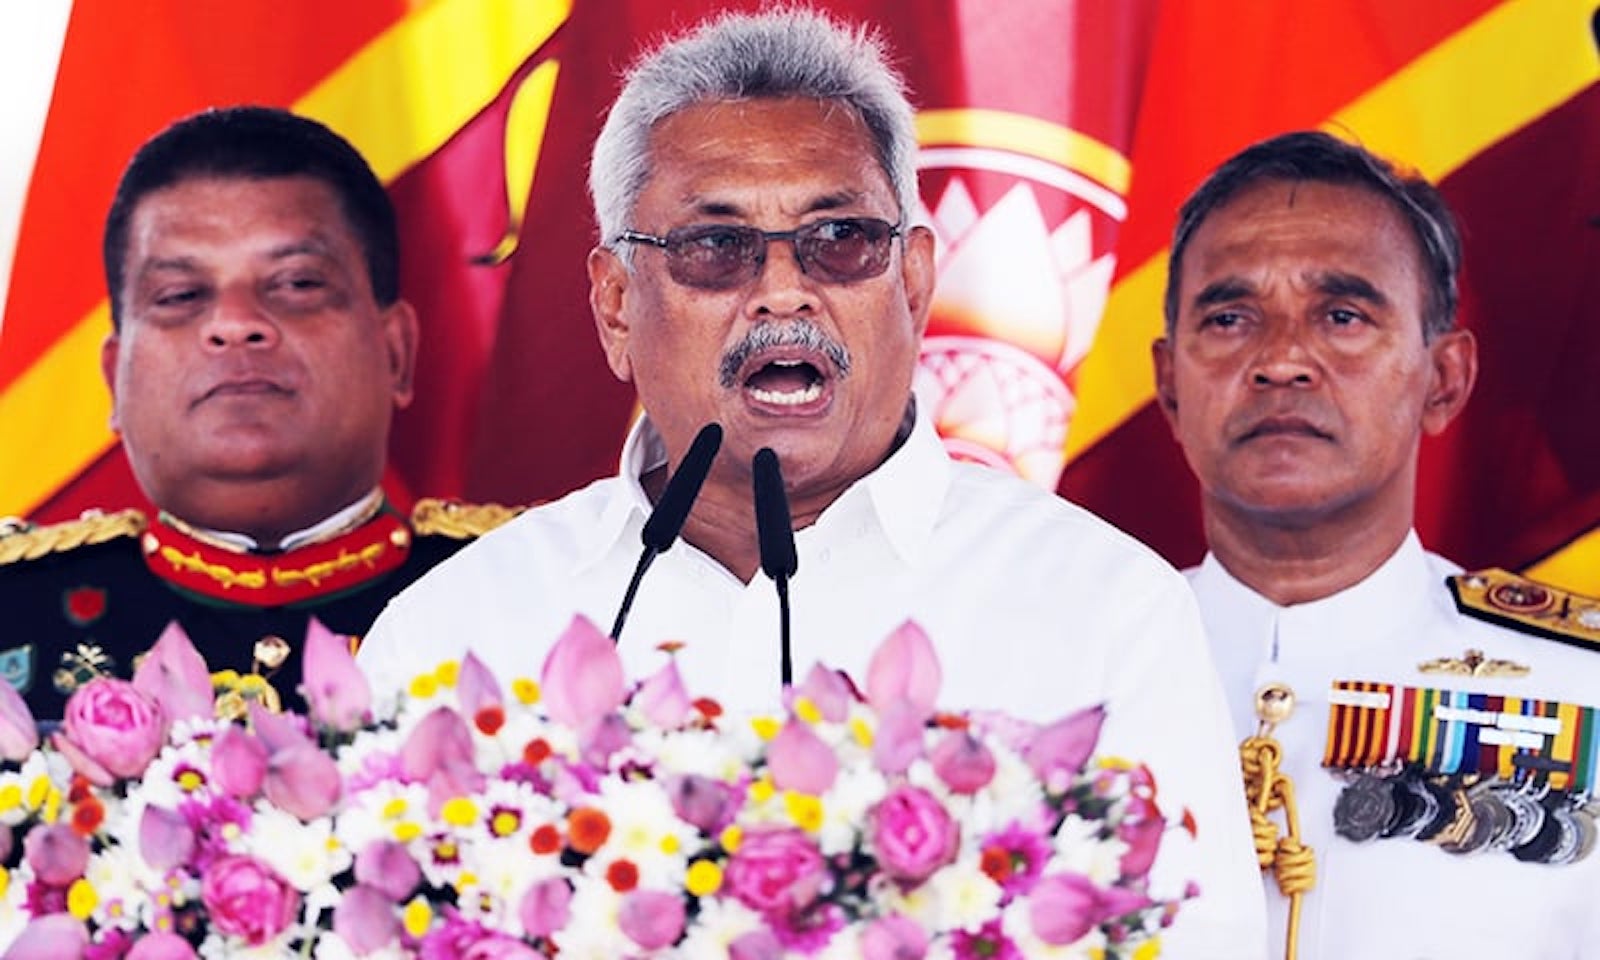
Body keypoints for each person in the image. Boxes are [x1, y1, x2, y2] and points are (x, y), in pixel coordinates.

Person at [359, 9, 1265, 955]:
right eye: (716, 249)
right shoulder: (461, 629)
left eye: (840, 239)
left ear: (914, 283)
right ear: (618, 306)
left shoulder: (1104, 609)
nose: (784, 292)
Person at [1153, 129, 1600, 959]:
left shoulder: (1586, 686)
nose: (1281, 360)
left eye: (1343, 315)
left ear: (1445, 379)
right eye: (1228, 316)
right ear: (1169, 382)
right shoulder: (1061, 664)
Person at [0, 106, 516, 719]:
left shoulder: (535, 586)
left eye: (297, 283)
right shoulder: (15, 610)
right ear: (114, 380)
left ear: (397, 352)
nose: (235, 324)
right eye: (181, 295)